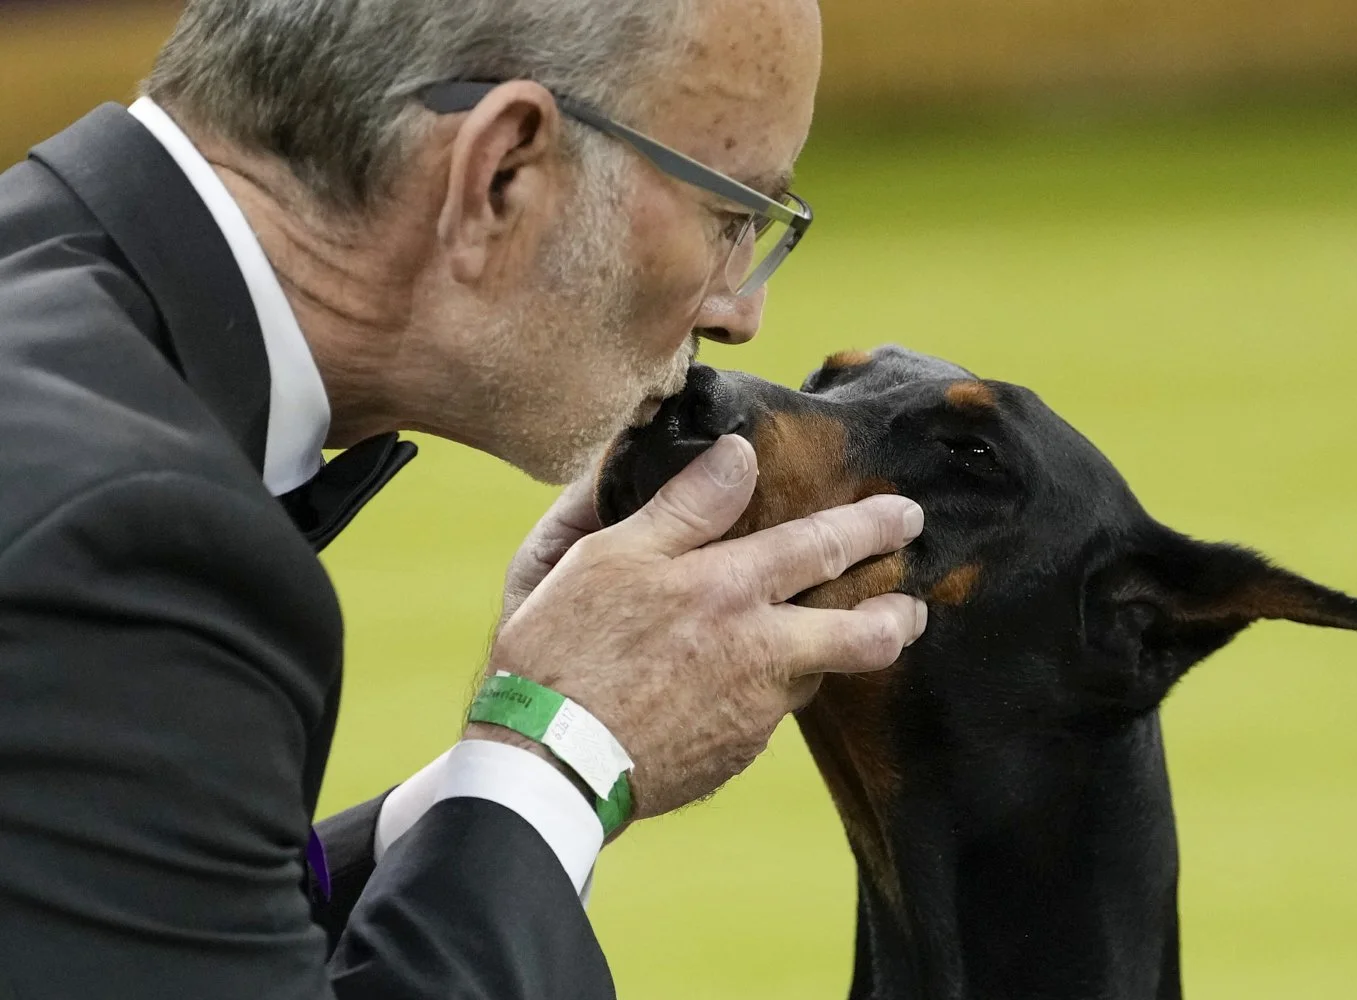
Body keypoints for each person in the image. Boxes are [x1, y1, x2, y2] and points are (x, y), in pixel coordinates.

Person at [0, 1, 929, 997]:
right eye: (729, 213)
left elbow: (143, 933)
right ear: (501, 173)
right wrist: (565, 751)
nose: (738, 311)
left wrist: (490, 778)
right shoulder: (118, 532)